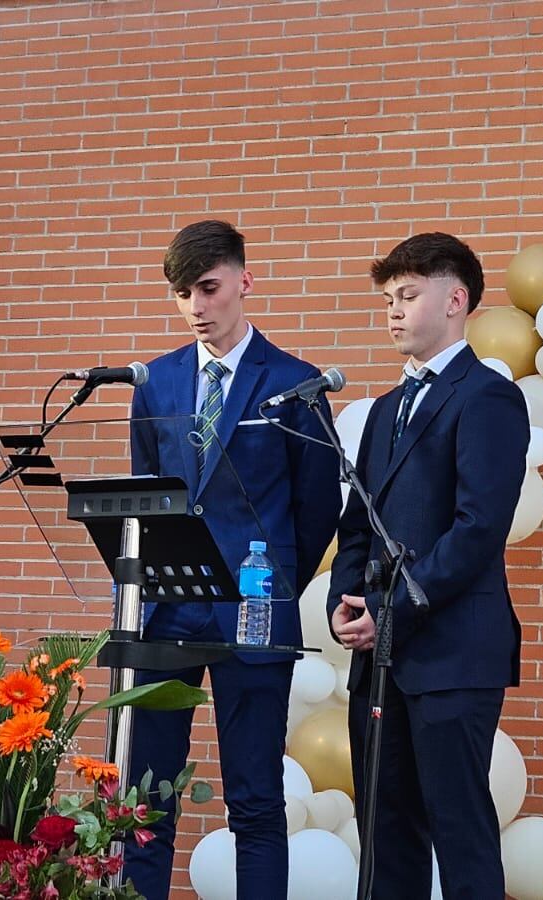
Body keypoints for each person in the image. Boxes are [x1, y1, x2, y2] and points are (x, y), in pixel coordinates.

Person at [127, 220, 341, 898]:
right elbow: (144, 497)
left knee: (254, 801)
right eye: (182, 293)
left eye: (209, 288)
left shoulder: (294, 384)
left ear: (244, 283)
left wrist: (274, 586)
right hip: (165, 615)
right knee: (144, 802)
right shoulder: (154, 383)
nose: (196, 306)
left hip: (253, 613)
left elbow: (317, 511)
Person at [327, 232, 528, 899]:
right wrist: (345, 600)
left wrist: (391, 614)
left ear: (455, 299)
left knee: (458, 825)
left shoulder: (488, 398)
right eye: (388, 298)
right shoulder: (383, 411)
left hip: (452, 655)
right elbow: (357, 522)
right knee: (385, 829)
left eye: (407, 295)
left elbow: (477, 531)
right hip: (378, 661)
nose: (392, 310)